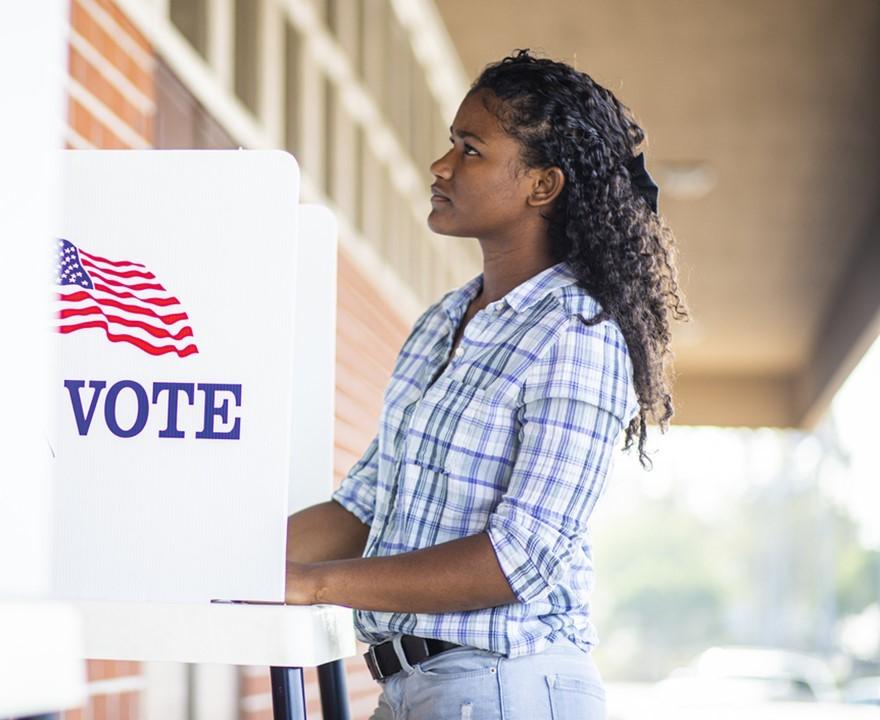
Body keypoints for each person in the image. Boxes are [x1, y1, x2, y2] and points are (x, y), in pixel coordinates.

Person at [283, 49, 687, 719]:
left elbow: (515, 560)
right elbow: (365, 505)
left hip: (506, 687)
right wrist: (232, 564)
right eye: (451, 144)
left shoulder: (577, 338)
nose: (441, 167)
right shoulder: (443, 322)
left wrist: (310, 586)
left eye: (471, 150)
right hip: (412, 687)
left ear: (542, 186)